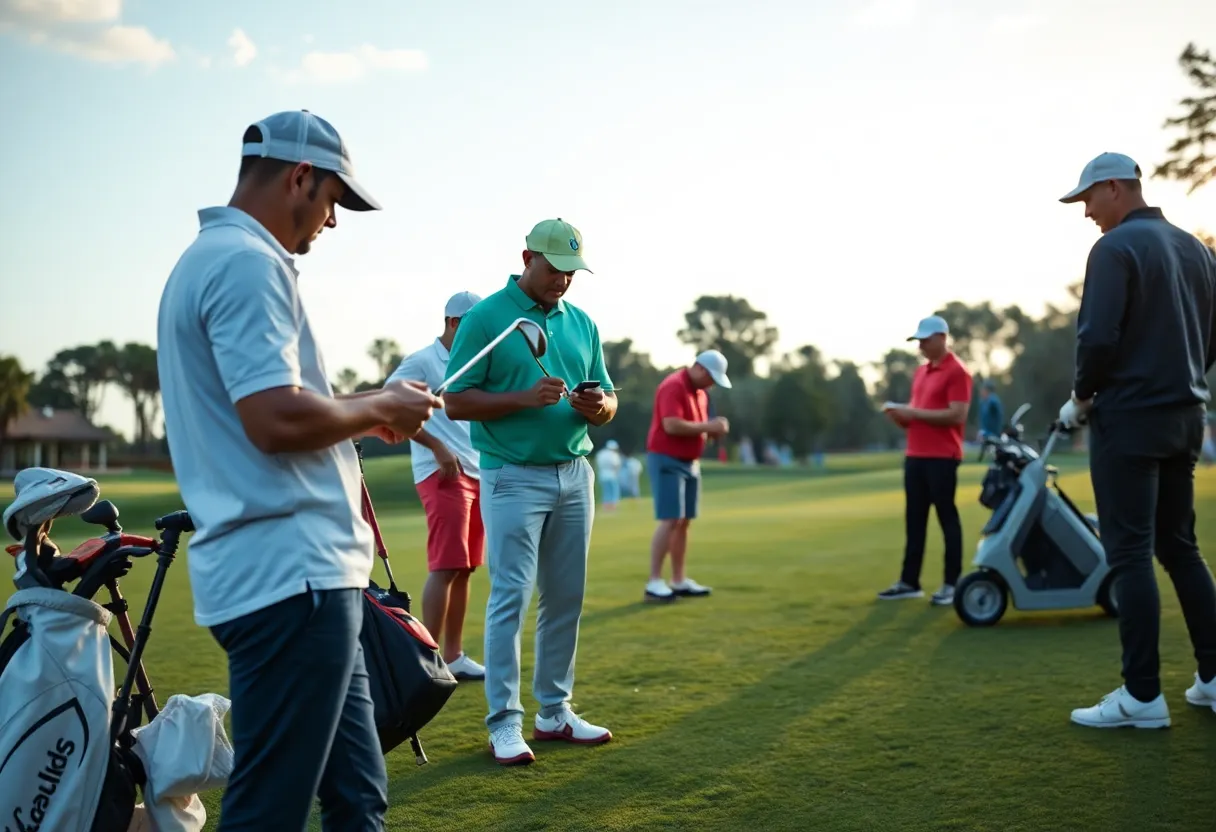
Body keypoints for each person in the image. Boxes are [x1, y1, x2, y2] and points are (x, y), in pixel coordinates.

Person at [156, 110, 443, 830]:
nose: (333, 222)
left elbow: (278, 406)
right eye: (334, 201)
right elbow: (275, 419)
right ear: (299, 177)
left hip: (300, 578)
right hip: (292, 579)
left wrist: (363, 410)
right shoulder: (248, 263)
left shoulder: (211, 257)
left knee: (358, 794)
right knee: (268, 808)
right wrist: (377, 400)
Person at [442, 218, 617, 766]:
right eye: (553, 269)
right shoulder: (486, 317)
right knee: (510, 598)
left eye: (571, 272)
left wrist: (598, 407)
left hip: (574, 472)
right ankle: (504, 723)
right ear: (526, 258)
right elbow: (454, 399)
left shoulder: (582, 322)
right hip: (512, 476)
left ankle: (554, 713)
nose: (562, 281)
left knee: (565, 597)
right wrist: (523, 398)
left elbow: (609, 399)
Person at [1052, 152, 1216, 729]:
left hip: (1129, 420)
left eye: (1088, 199)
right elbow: (1211, 338)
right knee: (1180, 547)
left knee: (1128, 553)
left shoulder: (1115, 248)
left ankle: (1143, 696)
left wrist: (1081, 395)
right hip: (1186, 418)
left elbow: (1097, 338)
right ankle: (1214, 680)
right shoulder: (1198, 249)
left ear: (1115, 188)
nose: (1086, 213)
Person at [386, 290, 487, 681]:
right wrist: (437, 445)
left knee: (465, 569)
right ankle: (428, 660)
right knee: (446, 566)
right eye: (473, 325)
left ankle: (455, 655)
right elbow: (391, 406)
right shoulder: (422, 361)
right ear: (454, 323)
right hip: (441, 470)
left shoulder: (474, 361)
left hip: (478, 471)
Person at [878, 315, 973, 606]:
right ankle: (910, 582)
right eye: (918, 341)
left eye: (925, 340)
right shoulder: (920, 373)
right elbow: (917, 415)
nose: (920, 346)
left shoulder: (958, 372)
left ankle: (951, 584)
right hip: (915, 456)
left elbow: (958, 415)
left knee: (947, 519)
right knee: (914, 521)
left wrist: (913, 414)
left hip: (943, 457)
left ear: (942, 338)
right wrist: (900, 417)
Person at [643, 350, 731, 603]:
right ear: (701, 369)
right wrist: (709, 426)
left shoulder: (701, 393)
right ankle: (654, 582)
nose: (712, 384)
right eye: (711, 378)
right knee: (670, 519)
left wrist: (711, 432)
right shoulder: (673, 385)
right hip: (667, 458)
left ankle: (679, 580)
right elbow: (671, 424)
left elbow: (694, 426)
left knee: (683, 521)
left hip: (690, 461)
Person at [594, 439, 622, 511]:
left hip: (602, 475)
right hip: (612, 475)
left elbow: (597, 464)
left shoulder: (600, 453)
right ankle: (612, 507)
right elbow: (616, 465)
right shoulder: (613, 455)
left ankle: (606, 506)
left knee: (606, 491)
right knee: (613, 492)